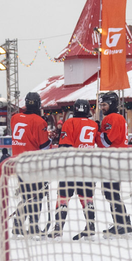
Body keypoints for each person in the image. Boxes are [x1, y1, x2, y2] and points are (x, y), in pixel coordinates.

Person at [47, 99, 99, 240]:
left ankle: (58, 228)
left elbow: (65, 146)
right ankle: (91, 226)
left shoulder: (69, 122)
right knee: (87, 198)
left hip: (71, 166)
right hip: (88, 167)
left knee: (63, 196)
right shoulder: (94, 124)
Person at [10, 91, 52, 235]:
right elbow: (44, 146)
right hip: (34, 165)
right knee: (37, 196)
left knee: (27, 196)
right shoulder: (40, 121)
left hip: (19, 163)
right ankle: (33, 227)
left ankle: (17, 225)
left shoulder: (14, 118)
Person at [97, 91, 132, 236]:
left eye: (104, 105)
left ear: (111, 104)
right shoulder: (116, 118)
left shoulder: (113, 118)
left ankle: (121, 224)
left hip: (112, 160)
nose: (102, 108)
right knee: (111, 193)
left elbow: (105, 141)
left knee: (111, 193)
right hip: (115, 159)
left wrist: (95, 132)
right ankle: (123, 223)